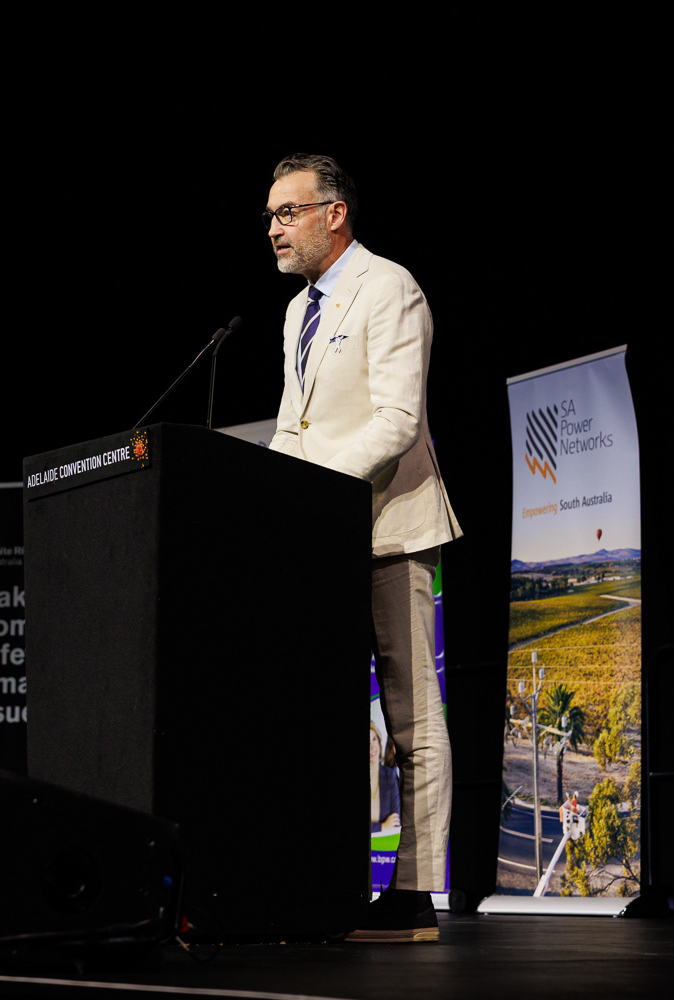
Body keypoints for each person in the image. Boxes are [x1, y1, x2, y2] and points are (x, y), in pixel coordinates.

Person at [263, 153, 461, 942]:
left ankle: (413, 894)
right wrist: (265, 494)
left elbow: (397, 421)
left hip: (392, 527)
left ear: (334, 214)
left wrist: (315, 489)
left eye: (288, 212)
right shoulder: (296, 313)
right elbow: (292, 425)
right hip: (322, 540)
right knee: (320, 714)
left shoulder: (390, 287)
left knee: (411, 715)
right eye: (271, 216)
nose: (274, 228)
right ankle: (319, 874)